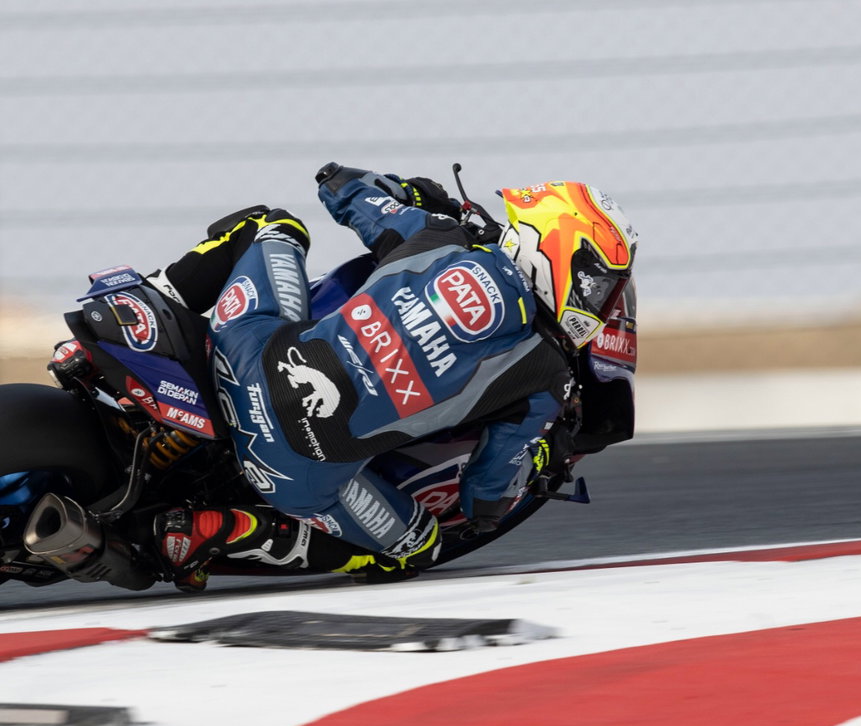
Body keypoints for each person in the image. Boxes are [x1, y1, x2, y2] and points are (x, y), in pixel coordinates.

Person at [141, 163, 637, 590]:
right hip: (290, 472)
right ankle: (223, 529)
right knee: (417, 547)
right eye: (596, 283)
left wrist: (413, 193)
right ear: (552, 251)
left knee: (271, 225)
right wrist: (542, 454)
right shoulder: (543, 377)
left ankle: (152, 309)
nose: (596, 300)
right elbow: (484, 500)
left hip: (242, 358)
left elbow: (338, 185)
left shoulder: (439, 236)